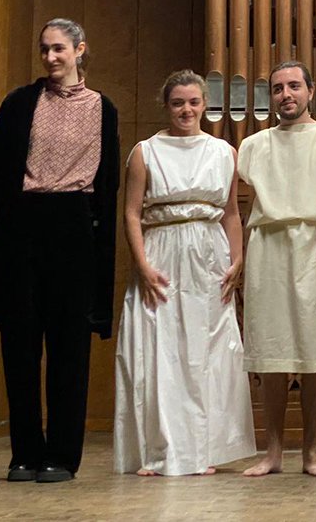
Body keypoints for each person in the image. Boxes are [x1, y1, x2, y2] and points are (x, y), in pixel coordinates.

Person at [0, 19, 120, 482]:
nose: (50, 58)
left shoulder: (104, 108)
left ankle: (61, 455)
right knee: (20, 341)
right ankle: (24, 452)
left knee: (69, 344)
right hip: (23, 222)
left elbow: (108, 184)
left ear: (80, 50)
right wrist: (18, 215)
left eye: (59, 49)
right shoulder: (20, 102)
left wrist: (92, 233)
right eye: (44, 50)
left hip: (75, 225)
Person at [113, 70, 255, 476]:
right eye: (178, 103)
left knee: (207, 351)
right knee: (160, 347)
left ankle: (204, 449)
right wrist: (142, 265)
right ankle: (160, 448)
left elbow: (230, 212)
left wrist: (237, 259)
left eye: (193, 102)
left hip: (209, 257)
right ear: (167, 105)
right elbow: (132, 213)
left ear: (204, 104)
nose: (186, 110)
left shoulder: (224, 151)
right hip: (161, 254)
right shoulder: (146, 151)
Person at [237, 61, 316, 477]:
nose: (285, 95)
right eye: (277, 89)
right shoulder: (252, 145)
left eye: (293, 86)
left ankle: (311, 451)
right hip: (268, 244)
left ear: (311, 91)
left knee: (314, 352)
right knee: (270, 351)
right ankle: (272, 451)